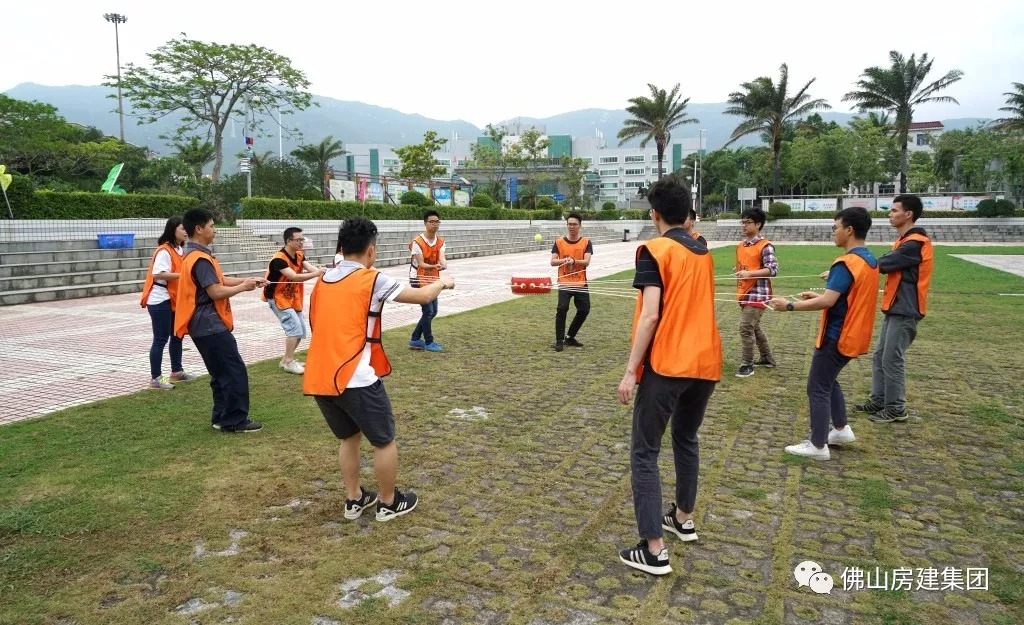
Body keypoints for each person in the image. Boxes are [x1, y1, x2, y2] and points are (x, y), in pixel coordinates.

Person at [303, 217, 455, 522]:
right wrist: (443, 282)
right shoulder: (372, 278)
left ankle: (354, 498)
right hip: (356, 377)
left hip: (321, 376)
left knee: (349, 437)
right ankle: (388, 503)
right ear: (371, 250)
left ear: (341, 247)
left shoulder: (323, 280)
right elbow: (423, 296)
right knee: (384, 441)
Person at [616, 177, 722, 576]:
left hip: (668, 364)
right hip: (706, 362)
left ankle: (654, 549)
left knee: (644, 451)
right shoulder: (702, 250)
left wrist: (631, 370)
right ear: (688, 212)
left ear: (654, 214)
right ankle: (683, 518)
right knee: (686, 438)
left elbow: (650, 315)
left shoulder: (654, 250)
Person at [767, 207, 879, 460]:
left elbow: (828, 301)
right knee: (828, 380)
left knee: (817, 387)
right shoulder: (869, 260)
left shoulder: (846, 263)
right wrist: (818, 297)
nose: (833, 232)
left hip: (837, 336)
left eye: (835, 228)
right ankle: (840, 429)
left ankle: (818, 445)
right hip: (855, 333)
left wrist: (790, 305)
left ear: (849, 230)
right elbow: (843, 297)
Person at [174, 208, 266, 433]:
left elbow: (219, 279)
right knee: (233, 371)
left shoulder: (194, 255)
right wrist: (243, 287)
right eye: (212, 226)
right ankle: (234, 420)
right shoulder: (199, 259)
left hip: (202, 326)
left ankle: (221, 417)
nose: (214, 230)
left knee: (220, 374)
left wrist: (247, 280)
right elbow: (215, 292)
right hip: (210, 325)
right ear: (199, 229)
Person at [853, 195, 933, 423]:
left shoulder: (915, 243)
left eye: (894, 210)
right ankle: (879, 400)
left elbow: (883, 263)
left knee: (892, 359)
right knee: (880, 357)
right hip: (895, 306)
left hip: (906, 309)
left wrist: (849, 269)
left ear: (908, 214)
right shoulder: (905, 241)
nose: (890, 214)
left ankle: (896, 408)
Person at [140, 216, 194, 389]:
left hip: (173, 299)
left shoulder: (180, 250)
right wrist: (184, 276)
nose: (186, 232)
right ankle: (155, 378)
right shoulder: (164, 250)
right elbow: (158, 274)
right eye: (182, 229)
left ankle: (176, 371)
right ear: (172, 230)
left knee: (177, 335)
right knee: (160, 339)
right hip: (160, 300)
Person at [263, 227, 325, 374]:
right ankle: (289, 362)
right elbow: (294, 276)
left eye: (302, 239)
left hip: (292, 297)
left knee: (301, 330)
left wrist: (323, 272)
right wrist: (317, 273)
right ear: (289, 241)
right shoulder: (279, 259)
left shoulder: (299, 254)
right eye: (298, 239)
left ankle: (286, 359)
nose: (301, 242)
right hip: (277, 298)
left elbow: (310, 268)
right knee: (294, 329)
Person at [734, 207, 778, 377]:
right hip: (745, 292)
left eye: (748, 222)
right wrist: (740, 271)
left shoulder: (765, 246)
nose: (744, 225)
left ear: (758, 224)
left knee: (746, 327)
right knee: (754, 327)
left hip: (759, 294)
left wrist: (750, 274)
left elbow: (772, 269)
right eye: (742, 222)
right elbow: (746, 265)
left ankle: (747, 364)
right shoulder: (741, 246)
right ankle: (766, 358)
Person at [551, 212, 593, 352]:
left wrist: (574, 261)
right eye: (569, 224)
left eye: (575, 224)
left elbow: (586, 262)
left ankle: (570, 337)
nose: (572, 227)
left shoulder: (586, 242)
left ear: (580, 225)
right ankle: (559, 340)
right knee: (562, 309)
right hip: (564, 282)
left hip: (580, 282)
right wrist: (564, 260)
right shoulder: (559, 242)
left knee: (584, 310)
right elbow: (552, 261)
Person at [408, 210, 448, 353]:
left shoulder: (440, 241)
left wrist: (443, 264)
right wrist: (434, 266)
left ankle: (415, 338)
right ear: (425, 223)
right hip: (418, 278)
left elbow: (441, 256)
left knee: (433, 311)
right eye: (431, 222)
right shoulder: (417, 242)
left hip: (432, 278)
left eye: (437, 222)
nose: (435, 224)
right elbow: (421, 264)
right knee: (428, 310)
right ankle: (429, 342)